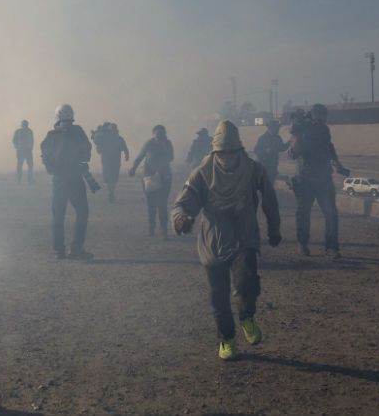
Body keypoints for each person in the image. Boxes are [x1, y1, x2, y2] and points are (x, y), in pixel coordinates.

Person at [171, 120, 281, 361]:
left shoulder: (253, 170)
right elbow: (184, 202)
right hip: (214, 239)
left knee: (247, 282)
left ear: (239, 151)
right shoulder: (202, 173)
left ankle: (247, 316)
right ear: (215, 152)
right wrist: (181, 219)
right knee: (218, 295)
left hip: (244, 235)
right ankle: (227, 339)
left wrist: (274, 227)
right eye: (222, 154)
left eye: (231, 153)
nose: (227, 159)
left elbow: (269, 198)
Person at [289, 103, 349, 258]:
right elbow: (293, 153)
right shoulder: (301, 128)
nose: (322, 120)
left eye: (324, 117)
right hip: (305, 178)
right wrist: (296, 132)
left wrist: (337, 163)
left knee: (331, 214)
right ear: (313, 115)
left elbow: (329, 147)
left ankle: (331, 248)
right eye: (319, 117)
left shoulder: (324, 129)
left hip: (324, 178)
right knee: (304, 214)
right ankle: (303, 244)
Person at [41, 104, 94, 260]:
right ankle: (76, 249)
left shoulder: (51, 135)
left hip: (58, 180)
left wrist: (52, 169)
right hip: (75, 178)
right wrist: (80, 163)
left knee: (58, 215)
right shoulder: (77, 131)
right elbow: (87, 150)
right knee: (82, 212)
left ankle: (58, 251)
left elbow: (45, 154)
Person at [130, 125, 175, 238]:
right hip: (149, 177)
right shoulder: (149, 144)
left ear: (164, 134)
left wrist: (163, 146)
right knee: (151, 204)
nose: (159, 136)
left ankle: (164, 230)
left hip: (164, 177)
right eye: (157, 134)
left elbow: (171, 157)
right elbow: (140, 156)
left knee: (162, 204)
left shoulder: (167, 144)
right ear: (153, 134)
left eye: (161, 134)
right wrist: (133, 168)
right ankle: (152, 226)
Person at [97, 123, 129, 203]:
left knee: (113, 178)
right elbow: (99, 146)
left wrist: (127, 155)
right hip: (107, 161)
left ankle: (111, 192)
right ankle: (111, 191)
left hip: (114, 161)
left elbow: (125, 148)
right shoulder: (105, 139)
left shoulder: (119, 139)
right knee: (108, 178)